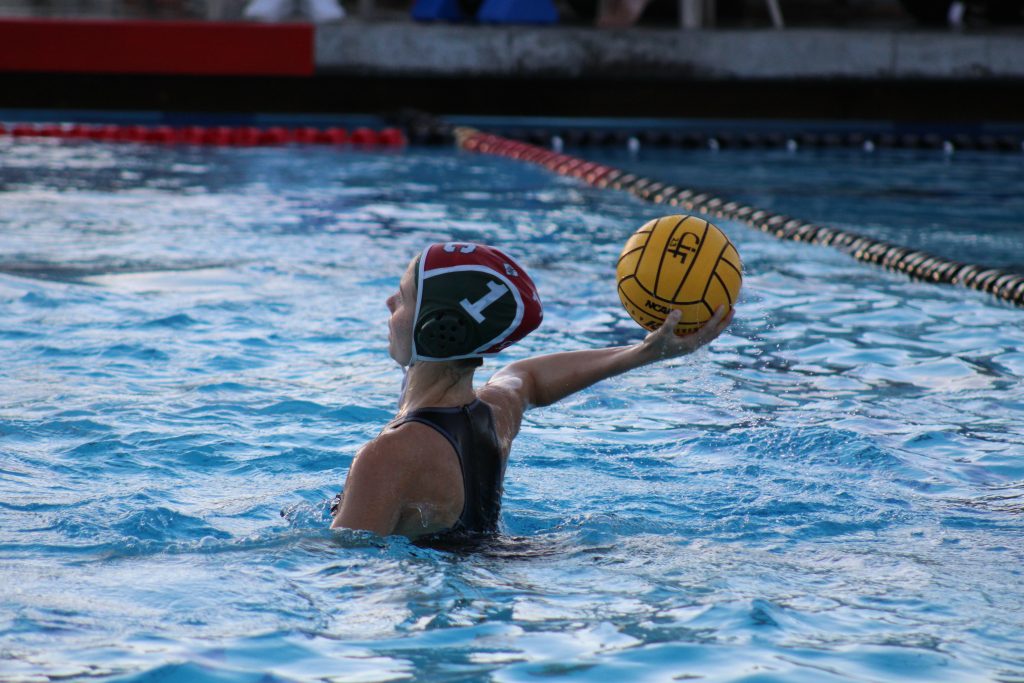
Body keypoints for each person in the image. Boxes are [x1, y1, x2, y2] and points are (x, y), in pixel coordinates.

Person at [330, 242, 733, 542]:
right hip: (498, 570)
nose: (389, 302)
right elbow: (526, 377)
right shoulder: (493, 413)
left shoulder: (389, 456)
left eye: (403, 298)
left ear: (438, 328)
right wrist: (644, 352)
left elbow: (344, 565)